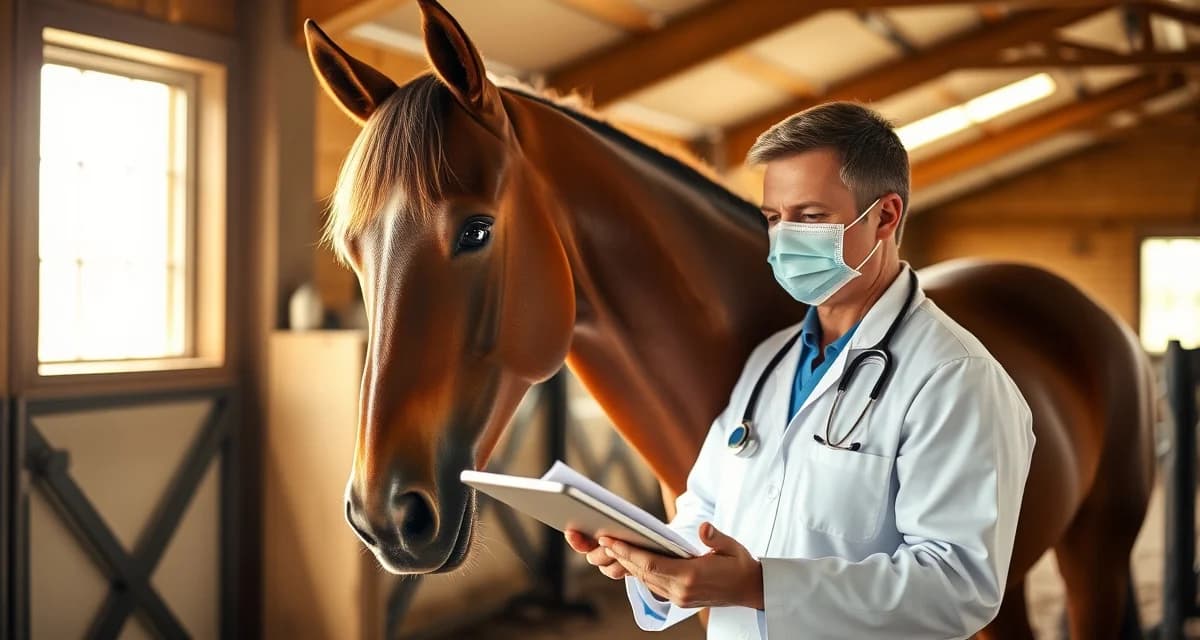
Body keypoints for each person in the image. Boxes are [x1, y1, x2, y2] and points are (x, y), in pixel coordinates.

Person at [565, 102, 1035, 639]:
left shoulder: (955, 376)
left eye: (810, 217)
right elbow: (705, 505)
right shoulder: (770, 362)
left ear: (886, 216)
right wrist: (654, 562)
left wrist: (758, 586)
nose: (785, 239)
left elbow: (959, 587)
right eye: (773, 218)